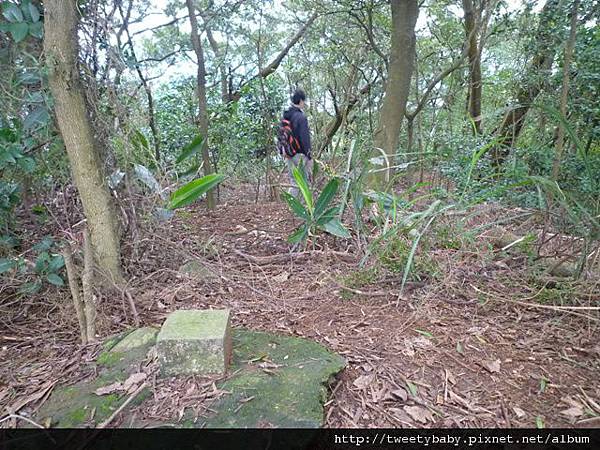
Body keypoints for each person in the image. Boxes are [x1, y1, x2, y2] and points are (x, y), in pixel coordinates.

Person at [281, 89, 313, 198]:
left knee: (294, 181)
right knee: (305, 182)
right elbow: (305, 138)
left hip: (288, 153)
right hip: (299, 154)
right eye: (304, 101)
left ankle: (291, 206)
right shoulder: (301, 117)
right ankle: (305, 210)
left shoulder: (285, 116)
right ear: (300, 101)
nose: (304, 104)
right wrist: (309, 155)